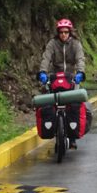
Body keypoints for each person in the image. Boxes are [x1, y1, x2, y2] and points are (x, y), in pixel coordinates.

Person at [37, 18, 87, 147]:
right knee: (51, 105)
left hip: (72, 77)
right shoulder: (52, 43)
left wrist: (80, 73)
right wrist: (43, 72)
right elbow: (46, 57)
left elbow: (80, 58)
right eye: (61, 32)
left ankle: (73, 136)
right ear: (58, 33)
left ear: (70, 32)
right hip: (55, 77)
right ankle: (54, 130)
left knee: (74, 105)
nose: (63, 34)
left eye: (66, 32)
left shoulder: (76, 43)